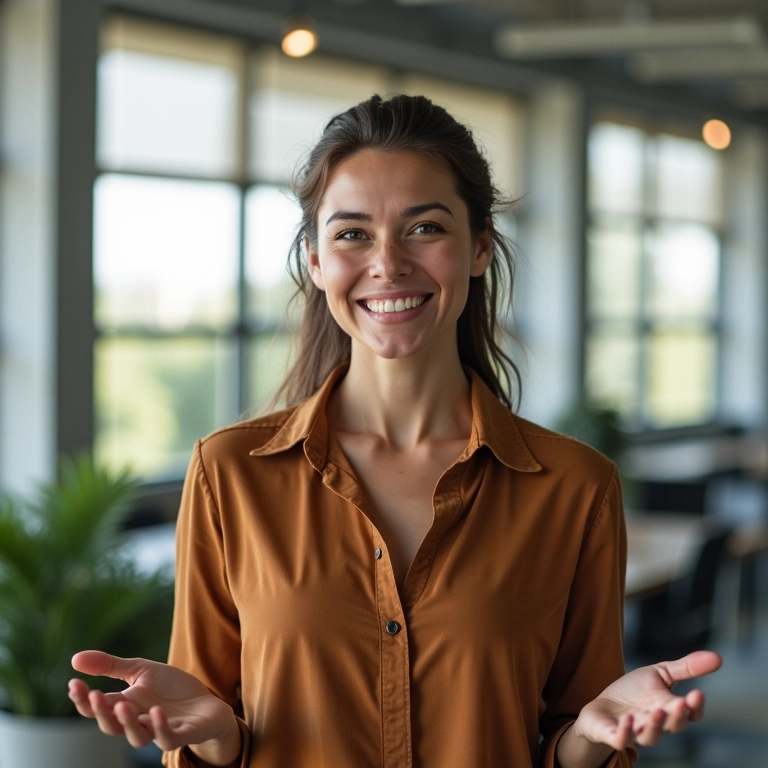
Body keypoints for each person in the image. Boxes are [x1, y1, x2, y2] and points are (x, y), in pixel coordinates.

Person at [69, 94, 722, 768]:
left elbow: (575, 731)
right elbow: (206, 728)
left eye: (425, 228)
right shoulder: (229, 472)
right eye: (352, 234)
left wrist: (590, 738)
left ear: (479, 247)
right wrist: (211, 736)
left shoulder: (576, 487)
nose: (388, 263)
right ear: (316, 260)